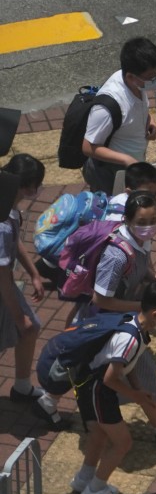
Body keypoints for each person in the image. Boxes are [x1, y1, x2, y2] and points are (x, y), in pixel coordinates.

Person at [86, 191, 156, 451]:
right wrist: (143, 307)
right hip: (111, 325)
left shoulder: (138, 242)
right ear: (126, 220)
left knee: (142, 376)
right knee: (96, 376)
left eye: (154, 220)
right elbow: (100, 300)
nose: (149, 227)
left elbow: (142, 265)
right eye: (142, 222)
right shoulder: (115, 257)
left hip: (127, 322)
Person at [71, 281, 156, 494]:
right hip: (98, 390)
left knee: (99, 435)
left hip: (92, 386)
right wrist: (136, 396)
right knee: (123, 443)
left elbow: (128, 365)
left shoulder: (136, 326)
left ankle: (85, 479)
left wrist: (138, 387)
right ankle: (95, 491)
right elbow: (110, 379)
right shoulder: (130, 338)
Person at [0, 155, 60, 422]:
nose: (34, 192)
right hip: (3, 288)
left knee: (31, 328)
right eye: (31, 186)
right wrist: (19, 316)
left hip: (6, 287)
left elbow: (16, 244)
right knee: (28, 326)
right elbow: (2, 277)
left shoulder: (9, 207)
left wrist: (34, 272)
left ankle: (22, 387)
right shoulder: (1, 224)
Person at [82, 37, 156, 195]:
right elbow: (88, 147)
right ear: (130, 77)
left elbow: (138, 110)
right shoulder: (107, 108)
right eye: (150, 78)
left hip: (133, 166)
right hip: (112, 173)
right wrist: (126, 160)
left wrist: (149, 121)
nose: (154, 81)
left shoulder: (136, 82)